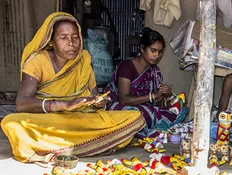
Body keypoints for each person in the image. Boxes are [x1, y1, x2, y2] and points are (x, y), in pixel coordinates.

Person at [1, 12, 145, 163]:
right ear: (50, 42)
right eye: (63, 38)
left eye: (75, 37)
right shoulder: (37, 62)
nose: (71, 42)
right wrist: (63, 105)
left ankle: (60, 146)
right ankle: (91, 145)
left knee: (134, 117)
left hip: (77, 118)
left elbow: (94, 96)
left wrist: (98, 102)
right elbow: (22, 103)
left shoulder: (83, 59)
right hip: (48, 119)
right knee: (11, 122)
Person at [105, 28, 187, 138]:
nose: (157, 55)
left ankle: (144, 128)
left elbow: (153, 102)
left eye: (160, 52)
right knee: (137, 115)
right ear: (142, 48)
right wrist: (153, 95)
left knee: (182, 110)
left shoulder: (154, 70)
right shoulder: (127, 67)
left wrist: (165, 99)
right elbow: (123, 100)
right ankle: (146, 128)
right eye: (153, 51)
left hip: (144, 108)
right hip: (120, 107)